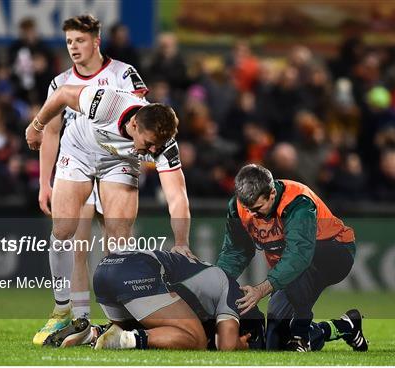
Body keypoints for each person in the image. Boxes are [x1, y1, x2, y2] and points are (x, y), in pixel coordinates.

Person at [27, 15, 192, 346]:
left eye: (80, 40)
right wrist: (36, 126)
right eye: (149, 146)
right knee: (63, 230)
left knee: (118, 238)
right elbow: (58, 101)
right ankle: (63, 312)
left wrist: (182, 241)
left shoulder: (158, 140)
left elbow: (177, 196)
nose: (153, 153)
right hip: (80, 149)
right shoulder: (102, 101)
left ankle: (116, 322)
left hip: (119, 160)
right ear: (133, 128)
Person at [216, 164, 367, 352]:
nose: (252, 215)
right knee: (277, 342)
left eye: (258, 208)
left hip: (334, 251)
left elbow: (299, 255)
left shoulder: (297, 201)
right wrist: (215, 283)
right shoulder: (238, 208)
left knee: (297, 263)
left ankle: (301, 334)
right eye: (248, 208)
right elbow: (236, 252)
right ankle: (345, 327)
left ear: (272, 194)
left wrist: (260, 290)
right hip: (294, 267)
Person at [44, 250, 264, 351]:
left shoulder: (207, 282)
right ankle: (122, 340)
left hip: (106, 268)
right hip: (136, 271)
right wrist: (239, 344)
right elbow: (225, 345)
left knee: (142, 323)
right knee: (195, 340)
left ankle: (90, 334)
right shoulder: (235, 292)